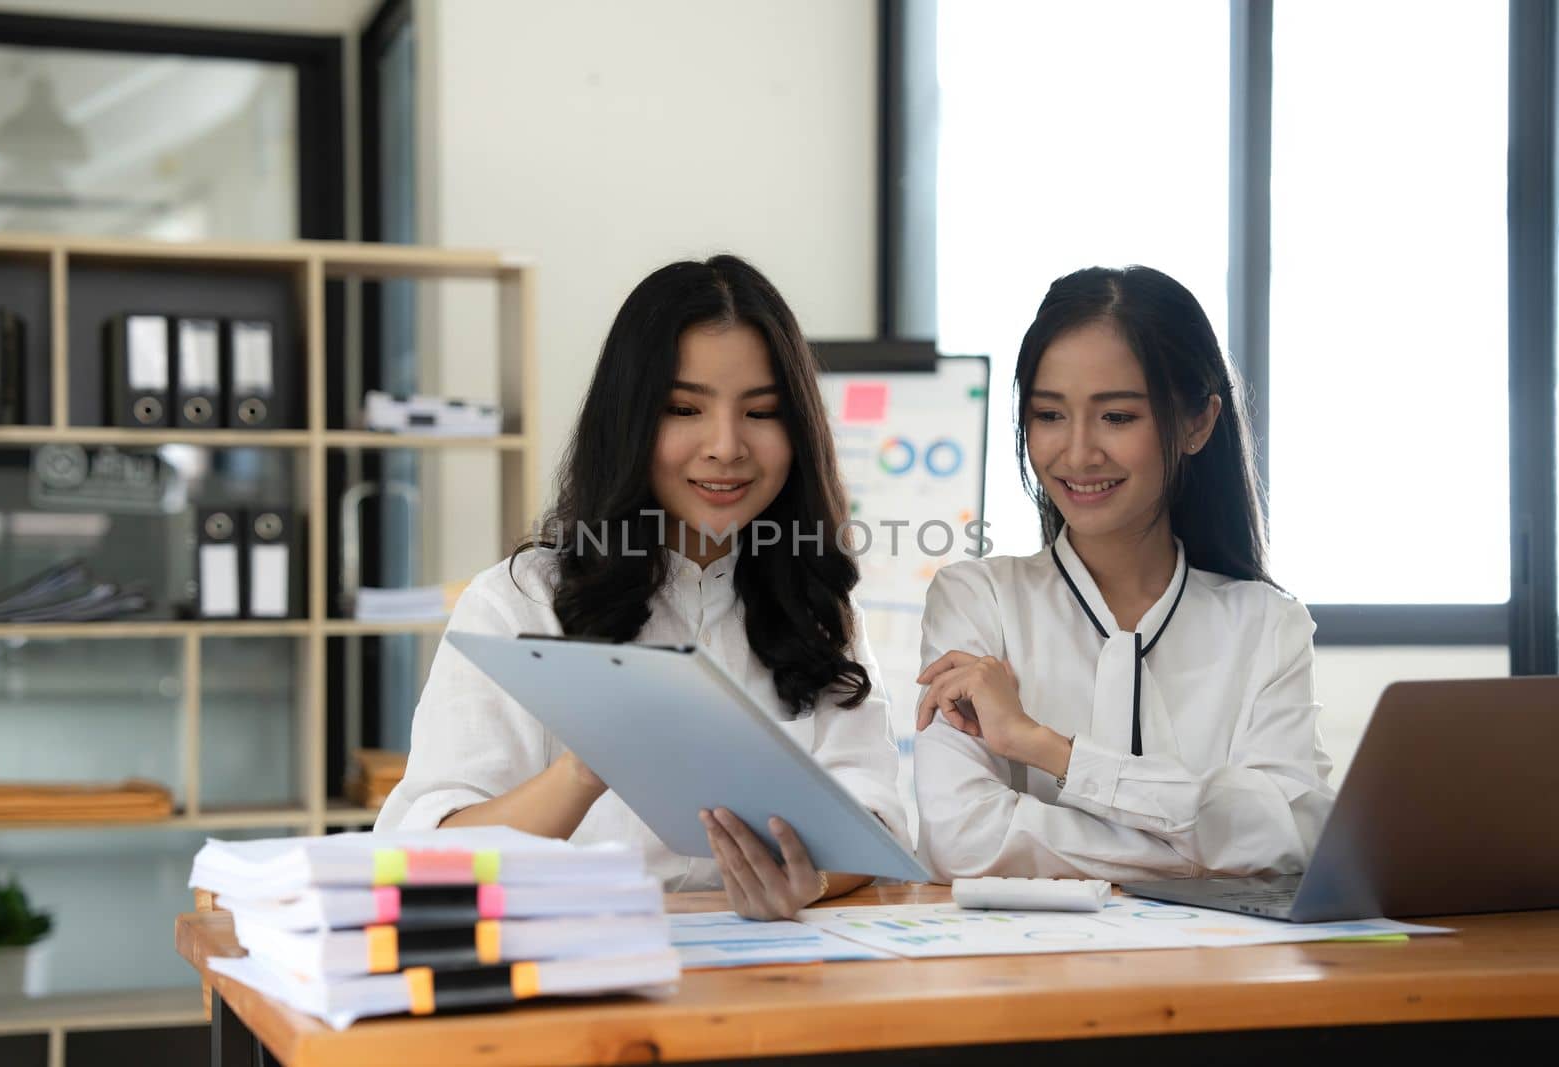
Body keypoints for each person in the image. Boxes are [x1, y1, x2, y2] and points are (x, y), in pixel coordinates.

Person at [378, 255, 907, 918]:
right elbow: (422, 856)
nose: (725, 446)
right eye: (683, 408)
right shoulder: (518, 602)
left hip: (773, 977)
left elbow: (877, 819)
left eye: (762, 411)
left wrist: (811, 881)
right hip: (578, 979)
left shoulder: (819, 605)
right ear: (628, 420)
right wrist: (582, 770)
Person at [914, 265, 1335, 883]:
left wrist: (1041, 746)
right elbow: (965, 843)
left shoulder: (1268, 625)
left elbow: (1294, 837)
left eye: (1116, 417)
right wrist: (1205, 843)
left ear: (1197, 422)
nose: (1078, 452)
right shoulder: (977, 600)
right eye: (1049, 415)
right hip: (1022, 973)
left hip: (1216, 975)